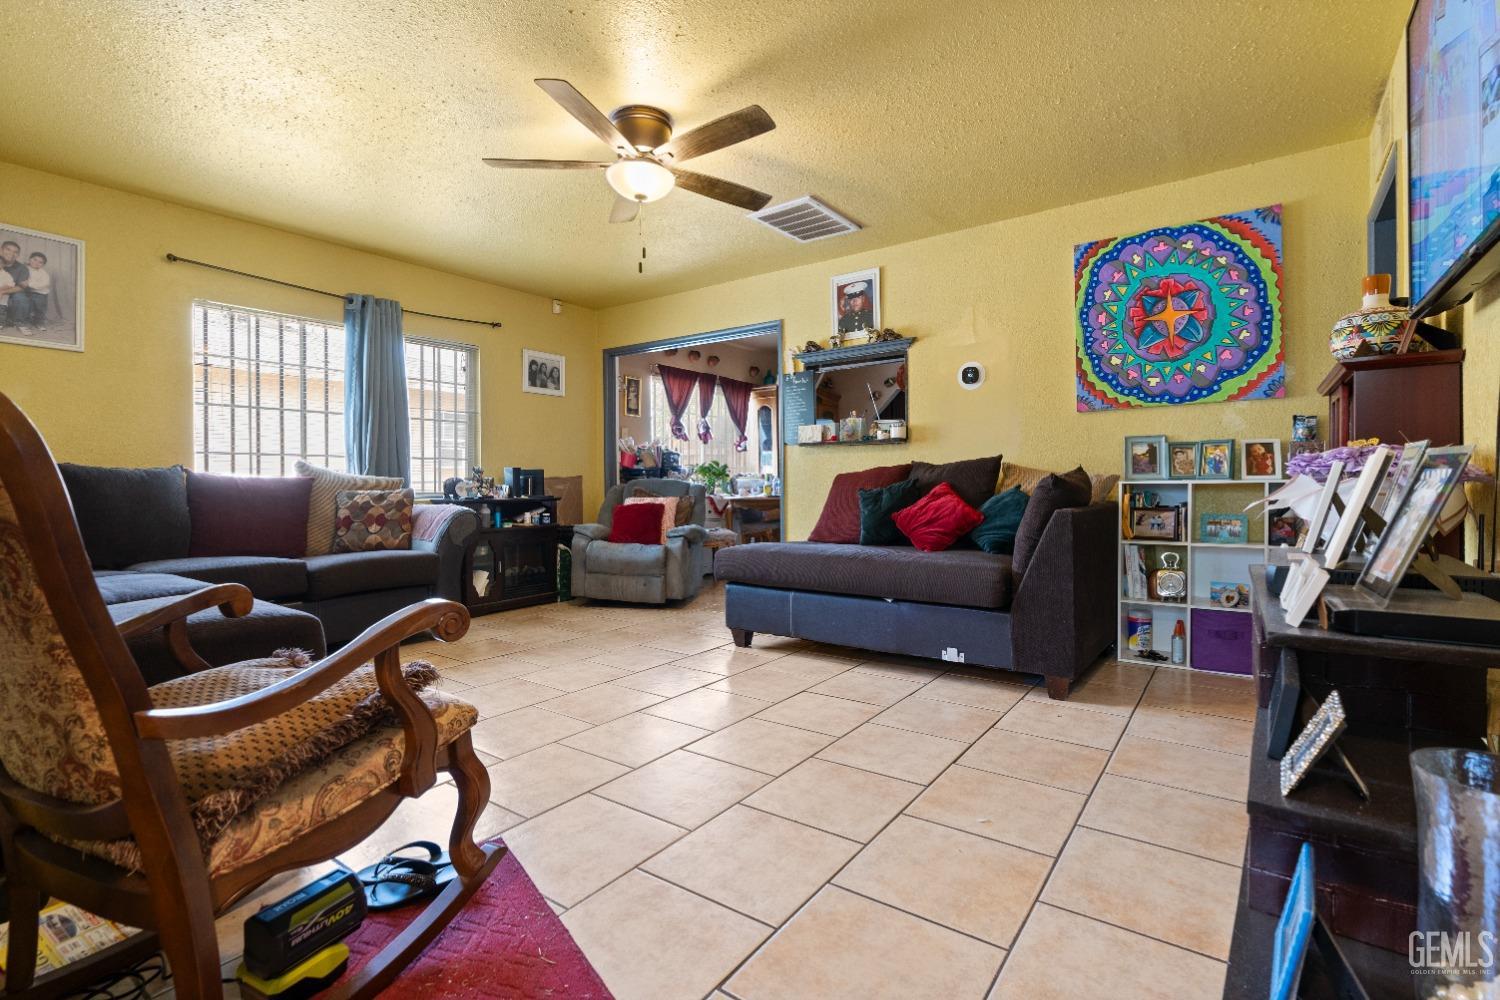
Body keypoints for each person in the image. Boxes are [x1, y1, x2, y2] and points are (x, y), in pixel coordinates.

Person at [0, 241, 29, 329]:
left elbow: (21, 287)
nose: (11, 253)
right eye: (8, 249)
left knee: (20, 298)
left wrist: (2, 292)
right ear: (1, 250)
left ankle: (17, 321)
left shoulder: (22, 268)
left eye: (15, 252)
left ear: (18, 255)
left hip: (12, 293)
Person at [23, 252, 50, 329]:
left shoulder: (43, 273)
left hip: (41, 293)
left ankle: (39, 323)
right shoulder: (25, 268)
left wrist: (30, 284)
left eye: (40, 262)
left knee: (40, 309)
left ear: (43, 265)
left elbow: (44, 284)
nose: (37, 263)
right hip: (29, 292)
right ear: (29, 260)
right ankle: (26, 322)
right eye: (35, 260)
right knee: (28, 307)